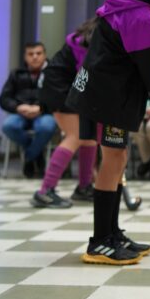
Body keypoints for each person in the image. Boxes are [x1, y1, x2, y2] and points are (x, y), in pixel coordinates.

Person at [67, 0, 150, 265]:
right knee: (113, 160)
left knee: (118, 157)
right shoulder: (138, 15)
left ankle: (112, 232)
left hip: (111, 95)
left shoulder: (131, 5)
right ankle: (100, 241)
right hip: (106, 97)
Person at [31, 19, 99, 208]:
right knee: (75, 136)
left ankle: (84, 187)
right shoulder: (86, 46)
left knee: (89, 138)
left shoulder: (88, 42)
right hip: (59, 90)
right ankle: (45, 191)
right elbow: (86, 75)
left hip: (67, 87)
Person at [0, 42, 57, 178]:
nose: (35, 57)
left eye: (38, 53)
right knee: (8, 125)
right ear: (25, 57)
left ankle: (29, 157)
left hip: (44, 113)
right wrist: (18, 107)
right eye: (31, 54)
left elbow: (59, 97)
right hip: (20, 113)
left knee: (47, 127)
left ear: (45, 55)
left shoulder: (53, 73)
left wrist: (41, 108)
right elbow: (4, 98)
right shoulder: (16, 74)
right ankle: (36, 154)